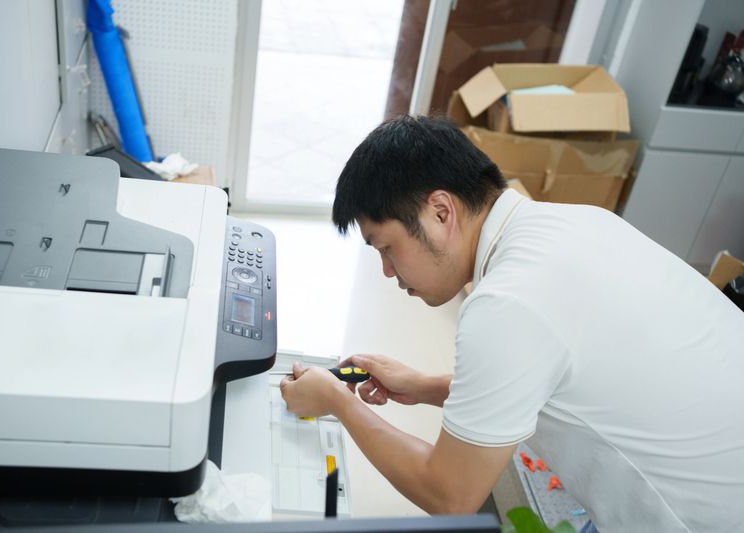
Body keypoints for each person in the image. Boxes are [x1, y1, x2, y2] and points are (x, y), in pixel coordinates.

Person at [279, 115, 744, 531]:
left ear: (441, 212)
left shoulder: (507, 303)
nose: (386, 271)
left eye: (386, 248)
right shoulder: (581, 222)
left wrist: (338, 402)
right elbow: (543, 373)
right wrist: (422, 386)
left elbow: (449, 494)